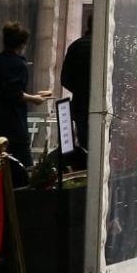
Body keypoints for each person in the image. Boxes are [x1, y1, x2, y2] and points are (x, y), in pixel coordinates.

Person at [0, 22, 49, 184]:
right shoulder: (18, 64)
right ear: (22, 44)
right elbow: (15, 93)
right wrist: (35, 98)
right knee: (21, 172)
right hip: (13, 127)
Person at [59, 15, 92, 167]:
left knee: (85, 145)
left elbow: (65, 79)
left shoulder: (76, 46)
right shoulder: (108, 46)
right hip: (106, 107)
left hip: (81, 106)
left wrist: (80, 90)